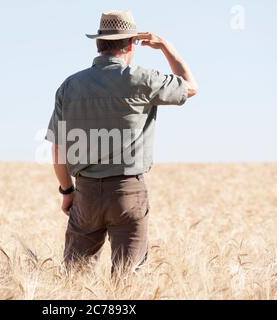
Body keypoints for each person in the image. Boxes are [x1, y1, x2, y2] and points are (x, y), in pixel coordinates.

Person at [45, 10, 198, 273]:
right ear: (130, 44)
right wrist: (166, 48)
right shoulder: (142, 79)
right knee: (128, 281)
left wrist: (67, 191)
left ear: (99, 43)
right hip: (129, 191)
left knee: (74, 278)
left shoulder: (70, 86)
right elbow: (190, 86)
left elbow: (57, 149)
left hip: (85, 192)